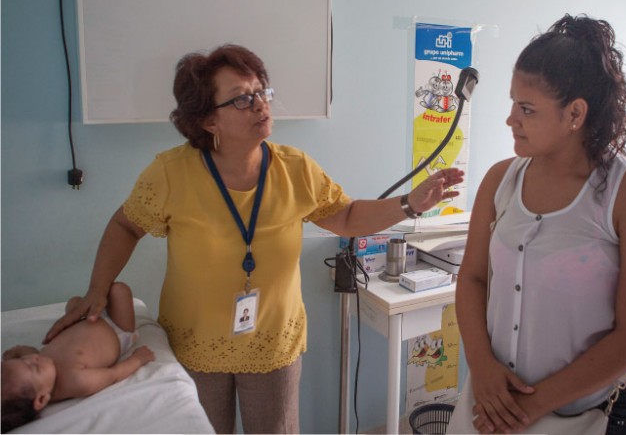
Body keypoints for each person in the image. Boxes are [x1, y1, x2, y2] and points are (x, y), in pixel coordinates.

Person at [42, 44, 464, 434]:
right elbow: (126, 225)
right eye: (242, 98)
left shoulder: (295, 168)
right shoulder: (171, 173)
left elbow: (348, 216)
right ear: (209, 120)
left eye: (262, 92)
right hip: (195, 345)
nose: (260, 104)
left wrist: (410, 203)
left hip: (271, 344)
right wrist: (97, 289)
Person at [455, 14, 626, 434]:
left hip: (599, 412)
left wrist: (531, 406)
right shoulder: (499, 180)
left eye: (527, 109)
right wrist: (481, 367)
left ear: (575, 114)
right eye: (512, 103)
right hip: (497, 401)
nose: (510, 120)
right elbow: (471, 279)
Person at [1, 282, 155, 433]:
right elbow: (113, 375)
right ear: (41, 399)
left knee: (74, 301)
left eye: (22, 361)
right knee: (119, 289)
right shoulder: (77, 381)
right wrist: (138, 360)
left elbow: (32, 352)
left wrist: (19, 350)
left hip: (84, 319)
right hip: (117, 330)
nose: (33, 357)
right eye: (32, 366)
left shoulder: (41, 369)